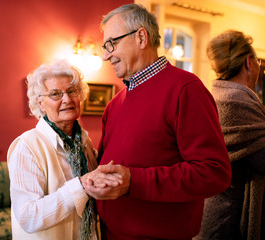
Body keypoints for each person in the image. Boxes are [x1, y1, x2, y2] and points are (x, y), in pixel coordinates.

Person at [82, 4, 232, 240]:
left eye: (112, 43)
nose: (105, 55)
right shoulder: (115, 104)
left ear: (141, 37)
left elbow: (214, 173)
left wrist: (134, 181)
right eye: (104, 46)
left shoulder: (186, 90)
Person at [7, 59, 119, 240]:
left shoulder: (84, 141)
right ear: (41, 103)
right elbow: (28, 217)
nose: (67, 99)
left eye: (71, 91)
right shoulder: (27, 146)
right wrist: (80, 186)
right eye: (55, 94)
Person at [194, 30, 265, 240]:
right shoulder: (236, 100)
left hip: (213, 211)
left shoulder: (217, 94)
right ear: (248, 63)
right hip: (228, 218)